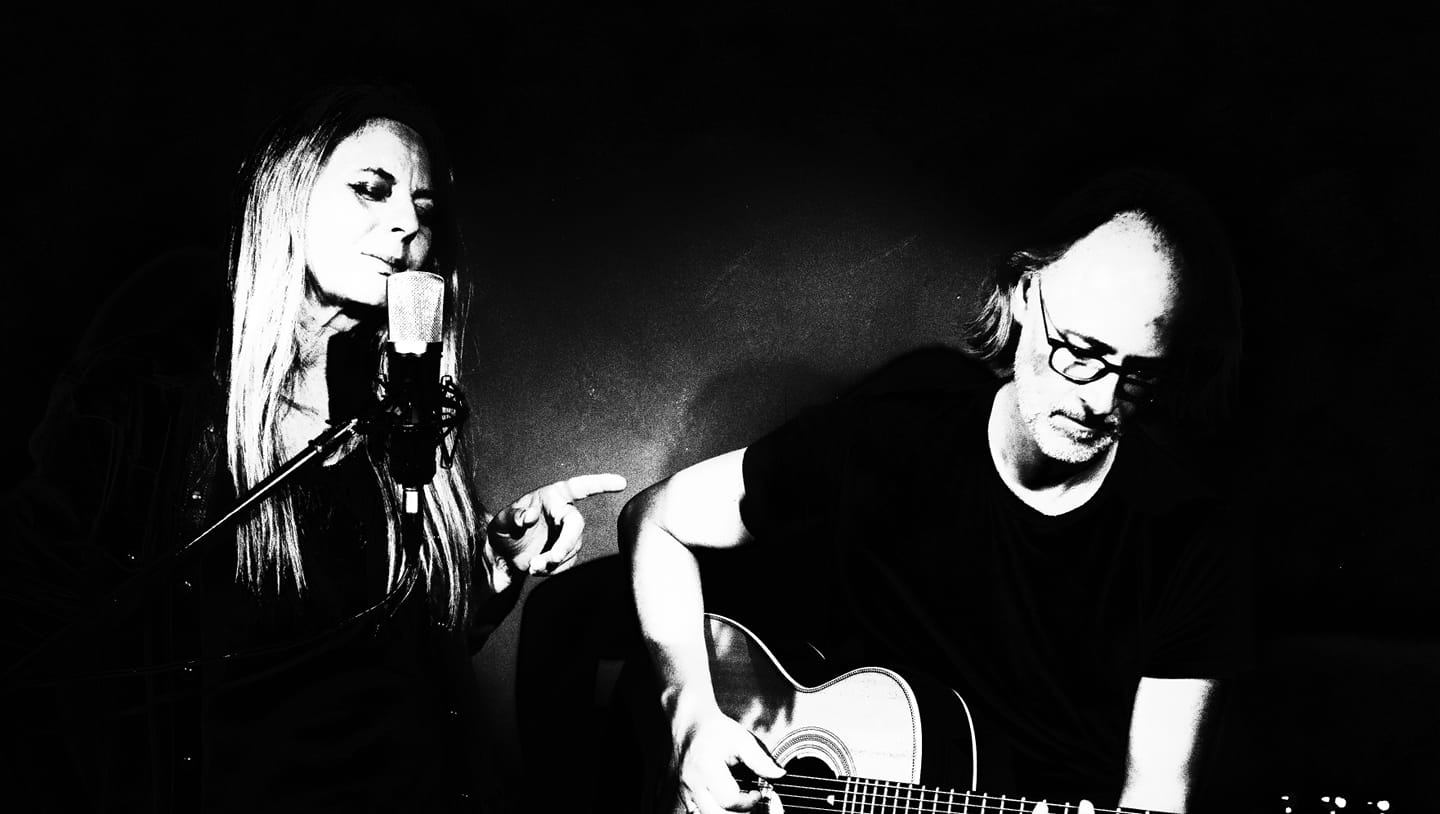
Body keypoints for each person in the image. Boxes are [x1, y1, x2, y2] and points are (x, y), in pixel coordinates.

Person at [1, 83, 624, 811]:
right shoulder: (158, 388)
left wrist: (492, 569)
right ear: (286, 195)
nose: (407, 225)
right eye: (372, 189)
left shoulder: (401, 407)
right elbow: (36, 624)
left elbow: (394, 661)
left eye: (425, 210)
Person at [622, 169, 1249, 813]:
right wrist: (690, 717)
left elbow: (1158, 798)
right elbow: (655, 520)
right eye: (1081, 352)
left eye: (1140, 375)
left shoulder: (1190, 543)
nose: (1101, 400)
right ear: (1023, 293)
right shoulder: (883, 438)